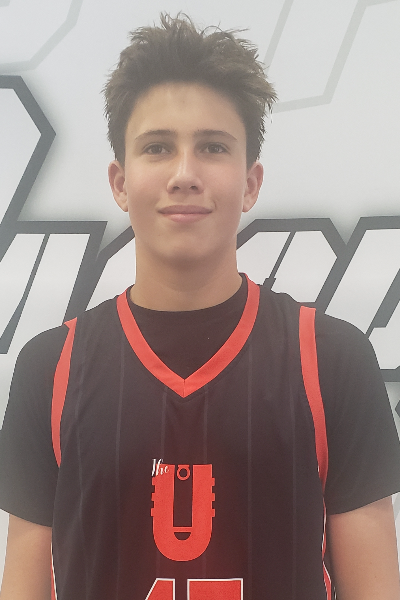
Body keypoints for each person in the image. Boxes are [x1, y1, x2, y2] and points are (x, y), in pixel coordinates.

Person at [0, 13, 400, 600]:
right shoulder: (48, 368)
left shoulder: (333, 359)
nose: (184, 174)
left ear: (250, 183)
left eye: (212, 147)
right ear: (119, 181)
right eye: (157, 147)